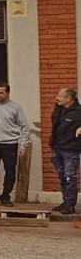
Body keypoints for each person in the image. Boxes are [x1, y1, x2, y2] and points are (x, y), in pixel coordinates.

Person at [49, 87, 81, 217]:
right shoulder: (59, 109)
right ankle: (65, 201)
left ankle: (70, 205)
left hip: (71, 150)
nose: (57, 98)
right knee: (62, 177)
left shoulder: (79, 111)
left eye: (60, 96)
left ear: (68, 98)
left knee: (70, 177)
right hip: (58, 148)